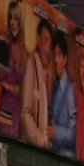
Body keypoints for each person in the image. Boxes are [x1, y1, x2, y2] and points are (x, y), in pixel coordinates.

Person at [0, 0, 27, 137]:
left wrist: (6, 85)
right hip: (4, 105)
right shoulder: (3, 42)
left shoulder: (24, 52)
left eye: (16, 18)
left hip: (17, 108)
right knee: (3, 138)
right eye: (10, 18)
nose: (13, 22)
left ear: (20, 21)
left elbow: (23, 90)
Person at [20, 18, 53, 148]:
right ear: (38, 40)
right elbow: (25, 112)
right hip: (31, 145)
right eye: (45, 39)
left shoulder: (47, 71)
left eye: (49, 40)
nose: (48, 45)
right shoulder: (31, 64)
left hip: (44, 146)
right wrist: (40, 140)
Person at [49, 33, 77, 159]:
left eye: (59, 55)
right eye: (54, 55)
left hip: (67, 158)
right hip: (54, 156)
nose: (55, 60)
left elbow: (74, 134)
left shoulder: (70, 89)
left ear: (65, 59)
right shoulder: (55, 87)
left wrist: (57, 133)